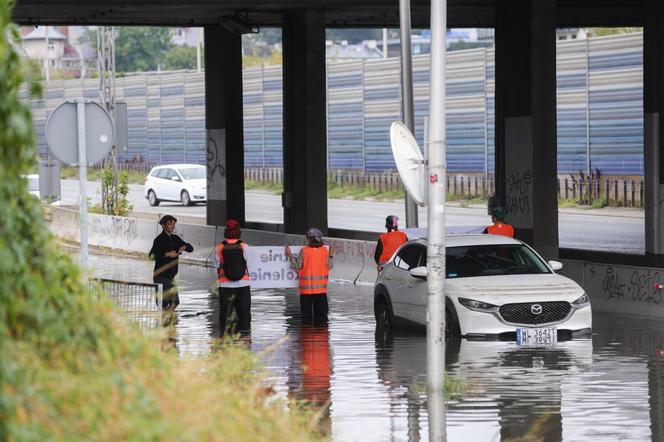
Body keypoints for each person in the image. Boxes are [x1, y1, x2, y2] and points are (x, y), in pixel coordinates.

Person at [285, 228, 333, 326]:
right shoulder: (325, 251)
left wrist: (290, 255)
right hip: (321, 292)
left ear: (309, 239)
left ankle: (307, 339)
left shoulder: (305, 251)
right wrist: (331, 255)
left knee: (306, 319)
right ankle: (321, 340)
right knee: (322, 319)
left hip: (306, 292)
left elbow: (297, 267)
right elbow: (330, 266)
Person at [149, 215, 194, 313]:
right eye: (170, 224)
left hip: (171, 277)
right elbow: (151, 256)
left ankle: (167, 320)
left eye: (174, 224)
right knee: (162, 304)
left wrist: (185, 247)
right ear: (163, 226)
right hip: (161, 276)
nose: (173, 226)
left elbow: (191, 248)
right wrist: (167, 254)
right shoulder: (159, 240)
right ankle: (163, 324)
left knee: (175, 302)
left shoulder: (176, 238)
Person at [215, 219, 251, 335]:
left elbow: (216, 264)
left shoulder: (220, 247)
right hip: (243, 284)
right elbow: (249, 264)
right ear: (238, 232)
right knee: (244, 313)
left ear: (226, 232)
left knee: (226, 314)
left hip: (225, 285)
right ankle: (245, 336)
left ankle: (226, 338)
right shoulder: (244, 246)